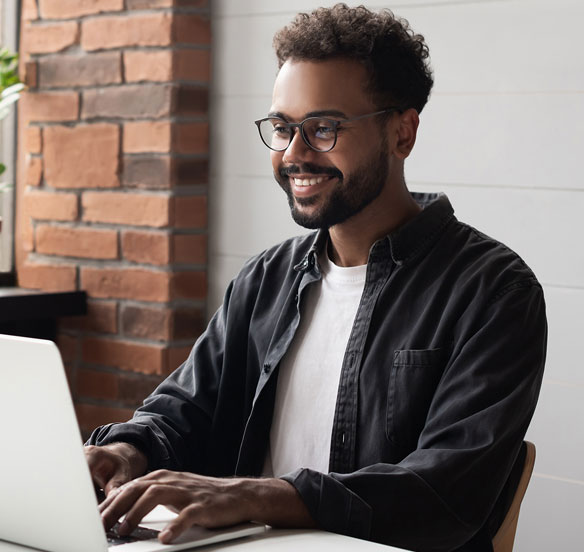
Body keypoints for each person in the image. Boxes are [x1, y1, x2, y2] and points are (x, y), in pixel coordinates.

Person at [84, 4, 547, 551]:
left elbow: (443, 492)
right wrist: (125, 451)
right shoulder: (266, 279)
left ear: (403, 132)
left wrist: (254, 496)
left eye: (323, 128)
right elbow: (183, 412)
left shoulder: (492, 291)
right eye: (282, 128)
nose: (294, 154)